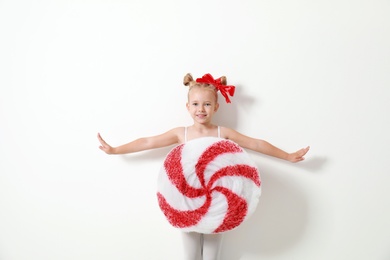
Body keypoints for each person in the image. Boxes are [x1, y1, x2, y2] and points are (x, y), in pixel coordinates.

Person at [97, 73, 310, 260]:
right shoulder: (181, 133)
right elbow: (148, 142)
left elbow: (254, 143)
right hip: (185, 202)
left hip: (218, 204)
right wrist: (115, 150)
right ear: (188, 107)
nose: (201, 109)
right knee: (190, 257)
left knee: (211, 257)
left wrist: (287, 155)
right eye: (196, 104)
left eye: (207, 104)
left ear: (216, 107)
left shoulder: (222, 133)